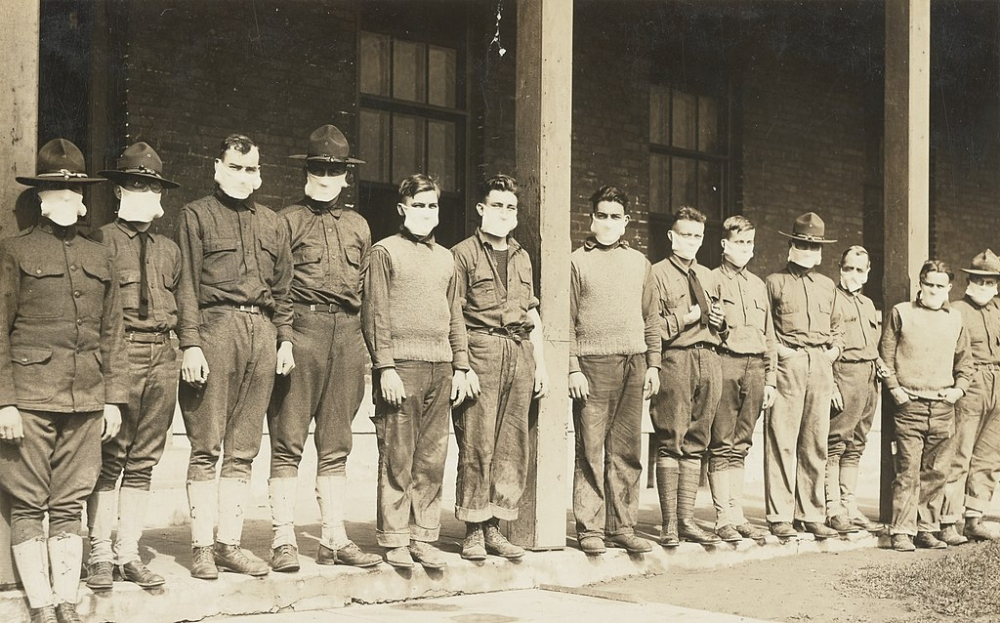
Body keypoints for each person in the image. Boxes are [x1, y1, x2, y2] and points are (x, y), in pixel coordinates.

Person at [0, 138, 126, 623]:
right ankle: (40, 604)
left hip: (86, 399)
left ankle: (67, 603)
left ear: (84, 198)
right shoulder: (15, 250)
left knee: (71, 502)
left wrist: (113, 399)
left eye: (75, 192)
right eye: (57, 191)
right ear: (40, 197)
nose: (68, 199)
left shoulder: (100, 255)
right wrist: (5, 402)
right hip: (30, 400)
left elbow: (113, 332)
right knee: (28, 503)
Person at [176, 134, 295, 579]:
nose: (244, 176)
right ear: (217, 167)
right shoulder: (196, 215)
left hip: (261, 331)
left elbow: (283, 290)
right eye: (235, 167)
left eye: (251, 169)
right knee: (207, 444)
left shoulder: (273, 223)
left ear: (259, 173)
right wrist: (190, 343)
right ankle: (202, 548)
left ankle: (229, 544)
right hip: (215, 328)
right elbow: (186, 285)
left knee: (244, 447)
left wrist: (285, 339)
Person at [266, 125, 380, 571]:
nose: (327, 178)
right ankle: (282, 539)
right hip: (303, 331)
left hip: (347, 336)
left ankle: (333, 537)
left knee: (337, 443)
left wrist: (369, 352)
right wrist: (284, 339)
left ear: (346, 176)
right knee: (287, 441)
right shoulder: (286, 221)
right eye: (319, 170)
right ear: (306, 172)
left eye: (335, 171)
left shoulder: (358, 225)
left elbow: (366, 290)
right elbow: (277, 288)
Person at [362, 173, 471, 569]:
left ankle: (423, 536)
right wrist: (385, 367)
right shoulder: (384, 252)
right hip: (402, 367)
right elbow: (375, 314)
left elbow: (454, 314)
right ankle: (395, 538)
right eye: (418, 205)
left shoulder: (446, 258)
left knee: (431, 457)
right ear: (402, 208)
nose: (426, 212)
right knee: (397, 456)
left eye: (432, 206)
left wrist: (461, 365)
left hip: (440, 367)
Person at [85, 142, 181, 591]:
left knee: (143, 461)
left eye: (152, 187)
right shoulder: (100, 240)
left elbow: (182, 303)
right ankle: (99, 554)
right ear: (119, 190)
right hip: (120, 354)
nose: (145, 193)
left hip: (163, 356)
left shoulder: (169, 249)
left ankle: (128, 553)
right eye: (136, 184)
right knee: (110, 458)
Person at [451, 174, 549, 561]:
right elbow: (454, 315)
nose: (504, 213)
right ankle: (473, 529)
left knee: (511, 443)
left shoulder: (523, 257)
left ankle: (494, 526)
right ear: (481, 208)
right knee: (477, 442)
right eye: (497, 205)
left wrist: (541, 365)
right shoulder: (462, 254)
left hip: (519, 352)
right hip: (481, 350)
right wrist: (461, 366)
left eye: (511, 207)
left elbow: (533, 313)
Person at [569, 185, 659, 555]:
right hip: (593, 364)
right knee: (591, 449)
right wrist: (573, 368)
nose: (608, 222)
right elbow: (565, 320)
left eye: (615, 217)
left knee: (626, 450)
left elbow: (651, 318)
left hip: (634, 363)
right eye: (601, 215)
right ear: (592, 218)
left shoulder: (640, 263)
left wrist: (653, 364)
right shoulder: (576, 262)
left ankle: (622, 526)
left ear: (626, 221)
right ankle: (589, 528)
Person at [880, 259, 973, 551]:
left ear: (949, 287)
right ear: (920, 284)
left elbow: (965, 363)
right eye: (929, 284)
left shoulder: (955, 318)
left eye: (939, 285)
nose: (933, 290)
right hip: (910, 406)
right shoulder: (902, 313)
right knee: (907, 471)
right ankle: (901, 531)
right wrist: (896, 390)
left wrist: (958, 390)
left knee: (936, 473)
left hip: (943, 406)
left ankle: (926, 529)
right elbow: (885, 355)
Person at [765, 212, 843, 540]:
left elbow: (838, 328)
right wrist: (782, 354)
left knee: (815, 442)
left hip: (820, 365)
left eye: (814, 246)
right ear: (791, 246)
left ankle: (810, 514)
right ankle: (780, 515)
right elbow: (767, 329)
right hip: (789, 363)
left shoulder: (827, 286)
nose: (808, 251)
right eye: (802, 244)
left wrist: (832, 353)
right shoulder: (774, 282)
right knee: (782, 440)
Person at [650, 206, 726, 546]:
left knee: (697, 441)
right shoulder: (656, 274)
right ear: (671, 236)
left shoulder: (709, 276)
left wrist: (720, 321)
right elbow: (652, 326)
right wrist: (686, 318)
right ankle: (669, 524)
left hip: (709, 357)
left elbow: (722, 327)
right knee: (672, 438)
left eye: (697, 236)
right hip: (677, 359)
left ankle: (687, 520)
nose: (692, 241)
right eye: (685, 235)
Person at [707, 215, 776, 542]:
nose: (745, 248)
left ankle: (737, 514)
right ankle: (723, 517)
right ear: (725, 244)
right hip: (726, 363)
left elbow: (769, 335)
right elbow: (710, 329)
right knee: (722, 442)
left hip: (756, 368)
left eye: (749, 243)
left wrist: (771, 378)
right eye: (739, 242)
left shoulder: (758, 285)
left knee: (742, 443)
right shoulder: (712, 280)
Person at [938, 250, 1000, 544]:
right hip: (970, 385)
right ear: (968, 281)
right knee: (958, 455)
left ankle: (974, 517)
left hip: (997, 384)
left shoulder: (998, 311)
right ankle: (947, 521)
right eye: (979, 280)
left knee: (989, 456)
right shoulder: (955, 310)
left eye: (990, 282)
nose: (984, 286)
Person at [825, 246, 887, 534]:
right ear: (840, 268)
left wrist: (880, 363)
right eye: (848, 268)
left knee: (857, 444)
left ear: (868, 272)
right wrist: (831, 384)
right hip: (845, 374)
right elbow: (826, 345)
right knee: (835, 443)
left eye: (859, 269)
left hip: (869, 378)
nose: (853, 274)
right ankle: (832, 508)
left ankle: (849, 505)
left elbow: (871, 343)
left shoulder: (867, 304)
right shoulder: (831, 299)